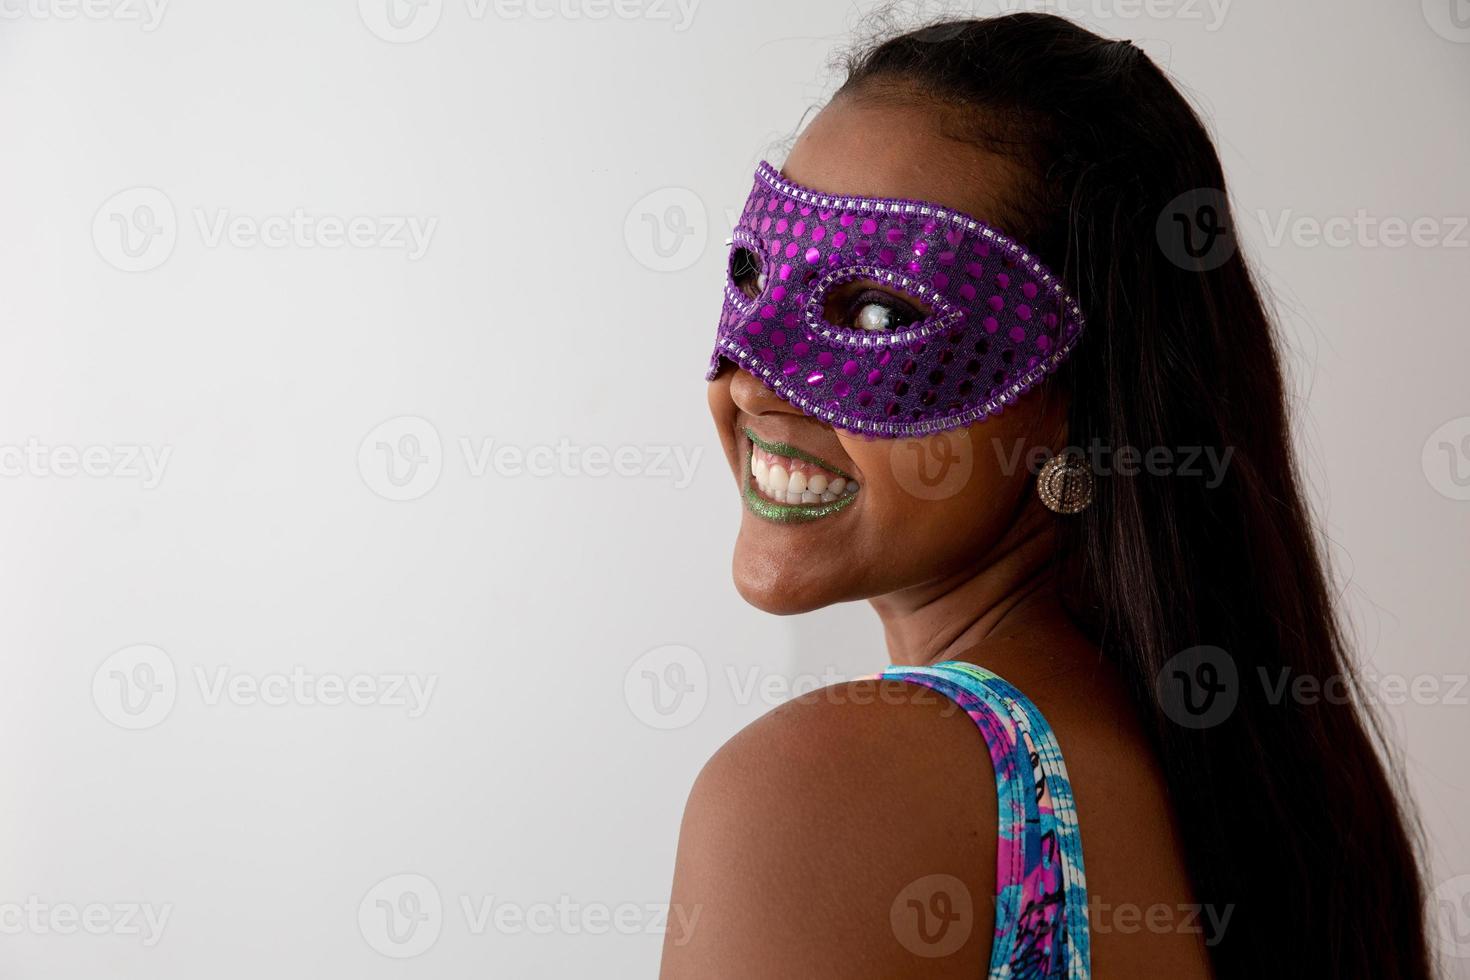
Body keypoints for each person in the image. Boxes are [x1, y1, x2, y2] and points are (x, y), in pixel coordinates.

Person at [661, 13, 1431, 979]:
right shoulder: (1237, 791)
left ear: (1075, 402)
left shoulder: (819, 792)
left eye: (874, 311)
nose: (754, 381)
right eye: (751, 275)